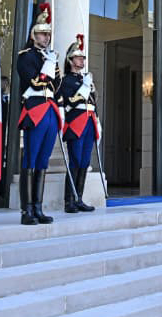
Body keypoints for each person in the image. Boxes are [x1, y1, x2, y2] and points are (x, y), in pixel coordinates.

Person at [15, 3, 60, 224]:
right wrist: (48, 67)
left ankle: (38, 207)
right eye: (42, 34)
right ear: (33, 35)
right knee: (31, 159)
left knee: (43, 160)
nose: (46, 38)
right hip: (34, 109)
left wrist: (53, 66)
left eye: (48, 34)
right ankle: (27, 210)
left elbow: (58, 86)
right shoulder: (26, 56)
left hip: (50, 109)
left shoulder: (49, 57)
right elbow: (34, 80)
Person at [56, 33, 99, 213]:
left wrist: (97, 121)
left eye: (82, 58)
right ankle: (69, 201)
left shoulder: (84, 79)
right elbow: (71, 101)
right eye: (78, 58)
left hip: (89, 121)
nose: (82, 60)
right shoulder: (67, 81)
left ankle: (79, 198)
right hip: (76, 122)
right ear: (70, 60)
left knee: (84, 162)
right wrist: (84, 87)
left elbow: (93, 102)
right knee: (74, 161)